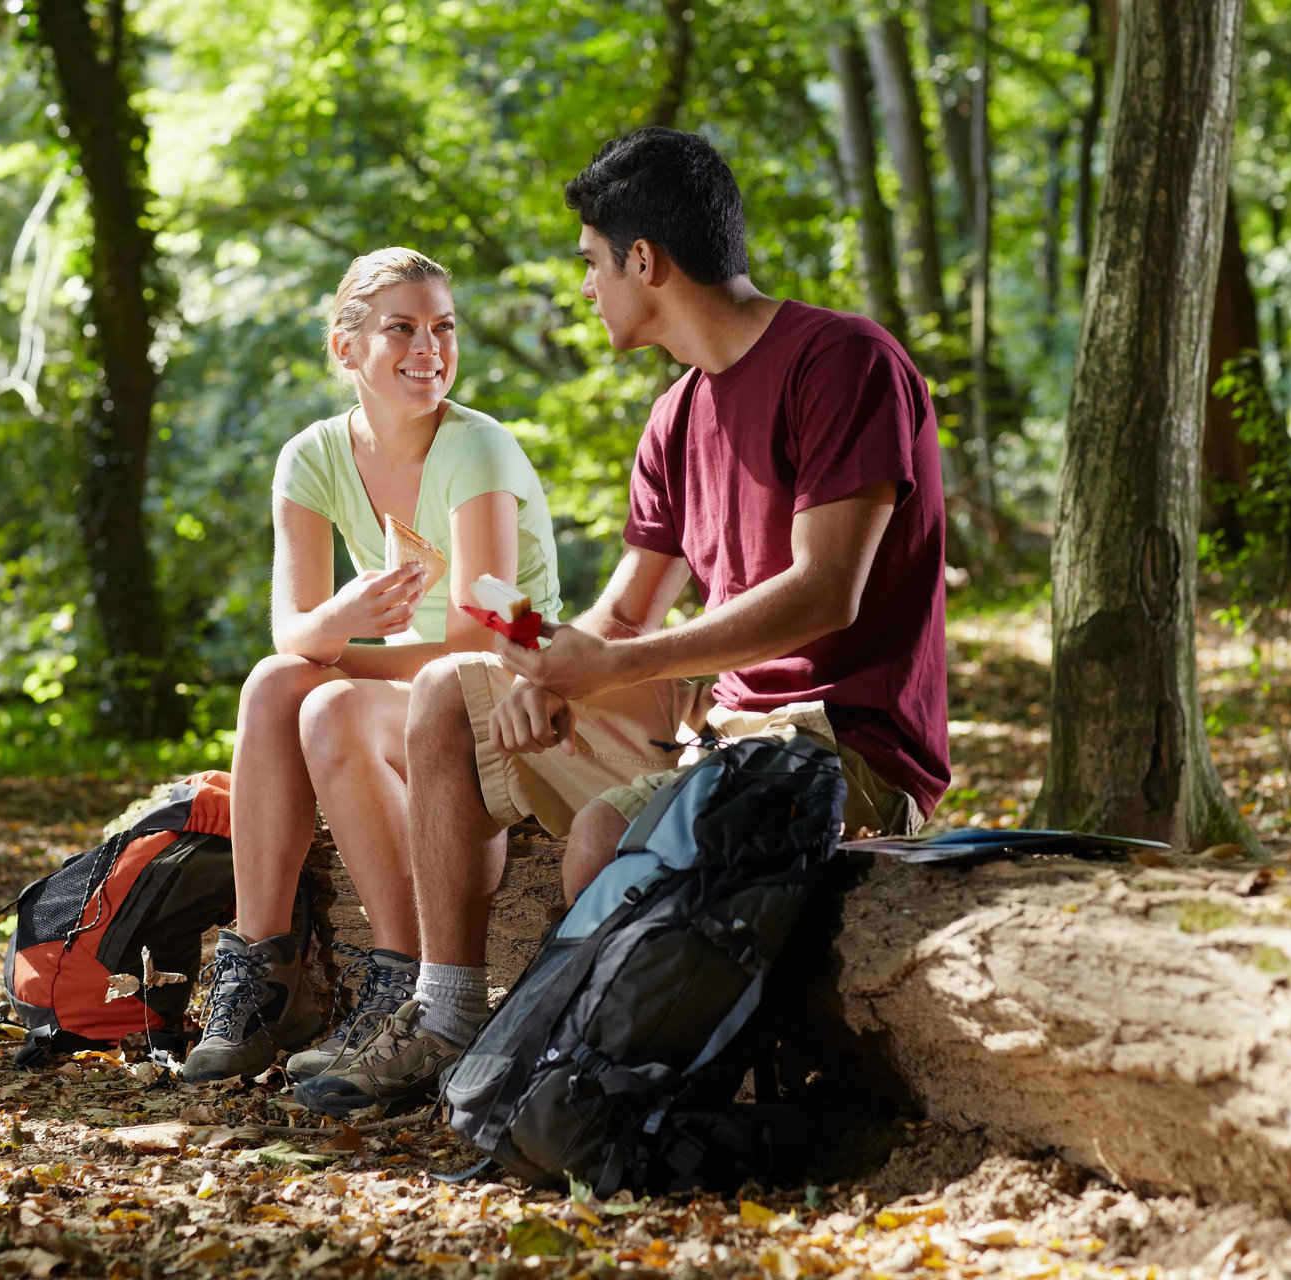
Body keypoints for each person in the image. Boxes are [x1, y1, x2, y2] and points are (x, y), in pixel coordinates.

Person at [293, 128, 949, 1117]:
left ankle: (598, 1089)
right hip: (717, 741)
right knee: (445, 696)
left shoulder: (844, 362)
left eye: (594, 261)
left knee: (604, 833)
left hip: (840, 748)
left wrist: (610, 663)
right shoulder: (677, 416)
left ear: (646, 260)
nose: (588, 286)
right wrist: (548, 677)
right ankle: (448, 1012)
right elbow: (626, 609)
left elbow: (825, 593)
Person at [176, 248, 563, 1083]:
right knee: (274, 685)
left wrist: (335, 646)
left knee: (327, 704)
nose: (430, 347)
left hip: (506, 678)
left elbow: (482, 631)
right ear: (347, 349)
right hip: (410, 682)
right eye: (403, 328)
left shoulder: (479, 451)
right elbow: (292, 630)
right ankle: (262, 970)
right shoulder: (311, 458)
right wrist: (339, 627)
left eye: (443, 328)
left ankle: (403, 985)